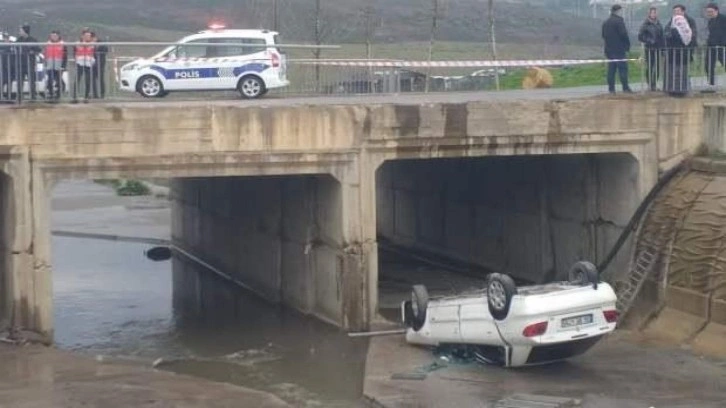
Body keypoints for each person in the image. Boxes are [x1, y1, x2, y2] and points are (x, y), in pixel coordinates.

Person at [602, 4, 632, 93]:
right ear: (618, 11)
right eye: (621, 11)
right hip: (619, 49)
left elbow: (603, 36)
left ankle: (611, 89)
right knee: (622, 69)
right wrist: (627, 46)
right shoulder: (619, 21)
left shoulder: (606, 22)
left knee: (611, 70)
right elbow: (624, 34)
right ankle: (625, 88)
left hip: (609, 50)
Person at [663, 6, 693, 96]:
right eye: (674, 11)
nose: (676, 13)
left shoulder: (688, 23)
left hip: (680, 54)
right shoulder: (671, 25)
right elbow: (666, 36)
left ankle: (682, 90)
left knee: (681, 72)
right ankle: (673, 90)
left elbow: (691, 38)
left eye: (678, 11)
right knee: (673, 72)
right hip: (673, 54)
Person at [638, 7, 664, 91]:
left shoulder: (659, 24)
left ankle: (654, 84)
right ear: (649, 14)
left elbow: (662, 36)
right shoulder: (645, 24)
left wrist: (663, 48)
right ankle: (649, 84)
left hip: (658, 48)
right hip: (649, 49)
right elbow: (640, 36)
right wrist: (649, 41)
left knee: (657, 67)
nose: (654, 14)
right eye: (652, 13)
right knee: (650, 67)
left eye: (655, 12)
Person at [15, 24, 41, 100]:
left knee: (31, 81)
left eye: (21, 30)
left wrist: (32, 51)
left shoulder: (33, 40)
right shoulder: (19, 40)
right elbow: (14, 48)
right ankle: (19, 96)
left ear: (25, 31)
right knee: (20, 81)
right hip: (21, 63)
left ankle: (33, 96)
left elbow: (38, 49)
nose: (19, 32)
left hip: (30, 63)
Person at [704, 2, 726, 89]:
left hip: (722, 46)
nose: (709, 14)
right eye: (708, 12)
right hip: (712, 46)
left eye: (711, 11)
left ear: (716, 11)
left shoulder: (723, 19)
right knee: (708, 64)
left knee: (724, 62)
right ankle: (711, 83)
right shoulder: (710, 21)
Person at [44, 31, 67, 101]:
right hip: (50, 65)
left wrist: (63, 65)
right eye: (52, 36)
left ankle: (58, 95)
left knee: (59, 81)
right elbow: (45, 54)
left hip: (59, 66)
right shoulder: (47, 43)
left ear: (58, 36)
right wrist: (45, 64)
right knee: (50, 80)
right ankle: (51, 94)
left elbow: (65, 56)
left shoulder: (63, 44)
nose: (53, 37)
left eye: (55, 36)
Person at [74, 29, 96, 101]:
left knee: (88, 80)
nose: (87, 37)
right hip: (80, 63)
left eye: (89, 36)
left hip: (88, 63)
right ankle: (75, 97)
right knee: (77, 79)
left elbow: (93, 47)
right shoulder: (78, 43)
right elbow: (77, 48)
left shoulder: (92, 43)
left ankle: (86, 97)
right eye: (86, 36)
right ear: (82, 36)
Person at [90, 32, 108, 98]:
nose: (92, 40)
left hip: (100, 64)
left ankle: (102, 94)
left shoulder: (101, 43)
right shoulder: (91, 45)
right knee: (93, 79)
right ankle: (95, 94)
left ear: (95, 38)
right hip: (93, 64)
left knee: (101, 79)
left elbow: (106, 50)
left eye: (93, 38)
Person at [0, 32, 15, 100]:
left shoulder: (12, 45)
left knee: (10, 82)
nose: (5, 39)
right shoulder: (1, 45)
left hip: (11, 67)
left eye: (6, 37)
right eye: (4, 37)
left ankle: (8, 96)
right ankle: (1, 95)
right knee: (2, 81)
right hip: (3, 66)